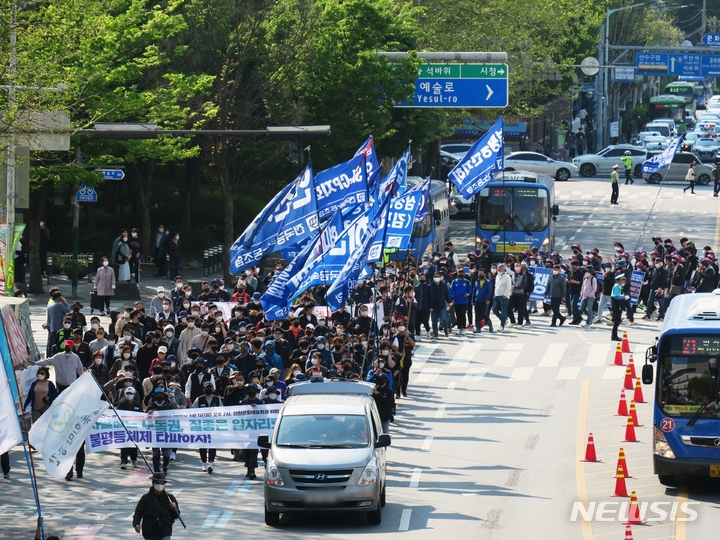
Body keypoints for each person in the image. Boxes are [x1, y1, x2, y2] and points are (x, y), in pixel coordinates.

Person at [132, 472, 180, 539]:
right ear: (153, 483)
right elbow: (138, 512)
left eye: (162, 483)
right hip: (149, 531)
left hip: (164, 531)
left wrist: (174, 508)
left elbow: (176, 515)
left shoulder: (170, 498)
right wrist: (136, 524)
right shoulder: (145, 498)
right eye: (157, 483)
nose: (159, 485)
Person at [191, 381, 222, 473]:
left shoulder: (217, 399)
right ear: (203, 389)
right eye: (206, 388)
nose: (208, 389)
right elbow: (193, 411)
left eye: (210, 387)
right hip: (202, 426)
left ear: (213, 389)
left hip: (213, 426)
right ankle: (204, 463)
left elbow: (222, 411)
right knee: (203, 445)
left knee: (212, 445)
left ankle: (211, 463)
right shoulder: (199, 399)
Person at [449, 270, 472, 335]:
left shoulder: (467, 282)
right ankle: (459, 328)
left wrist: (467, 294)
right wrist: (451, 299)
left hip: (464, 301)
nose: (460, 274)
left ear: (464, 274)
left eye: (462, 273)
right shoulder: (454, 282)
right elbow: (451, 291)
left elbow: (470, 290)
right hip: (456, 301)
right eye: (459, 273)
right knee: (458, 315)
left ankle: (463, 328)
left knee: (463, 314)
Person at [429, 272, 451, 338]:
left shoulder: (444, 285)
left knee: (444, 319)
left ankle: (446, 331)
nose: (437, 278)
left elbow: (447, 295)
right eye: (435, 276)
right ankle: (435, 333)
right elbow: (429, 296)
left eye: (438, 276)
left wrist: (448, 302)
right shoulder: (430, 285)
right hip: (433, 306)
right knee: (434, 321)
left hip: (442, 305)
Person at [492, 265, 512, 332]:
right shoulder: (497, 276)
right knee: (494, 309)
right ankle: (503, 320)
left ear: (503, 270)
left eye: (500, 270)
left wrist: (505, 295)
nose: (499, 271)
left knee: (504, 311)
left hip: (503, 296)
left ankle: (502, 325)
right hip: (496, 295)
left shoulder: (507, 277)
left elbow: (508, 287)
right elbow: (496, 286)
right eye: (498, 270)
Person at [611, 275, 628, 342]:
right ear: (619, 280)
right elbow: (616, 296)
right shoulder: (616, 287)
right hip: (616, 305)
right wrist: (624, 297)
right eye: (622, 280)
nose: (624, 281)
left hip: (619, 305)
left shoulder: (620, 287)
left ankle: (615, 335)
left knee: (618, 320)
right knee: (617, 320)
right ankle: (614, 335)